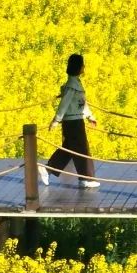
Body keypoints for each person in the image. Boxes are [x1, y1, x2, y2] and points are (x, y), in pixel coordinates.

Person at [39, 53, 100, 189]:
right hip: (73, 122)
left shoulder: (74, 83)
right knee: (82, 150)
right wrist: (56, 120)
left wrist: (90, 116)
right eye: (82, 64)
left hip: (75, 120)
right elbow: (64, 104)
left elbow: (81, 103)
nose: (84, 67)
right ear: (78, 67)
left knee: (69, 149)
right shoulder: (72, 85)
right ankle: (86, 178)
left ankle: (48, 169)